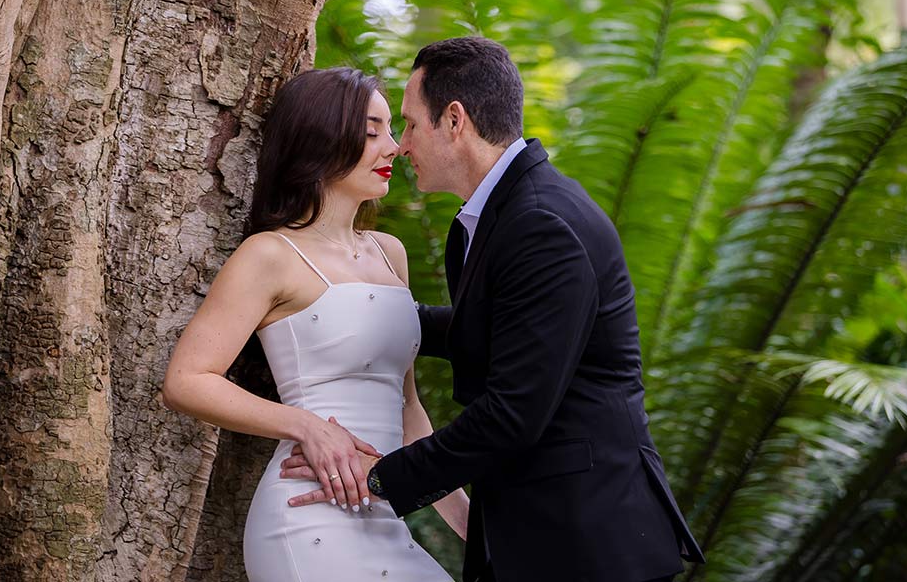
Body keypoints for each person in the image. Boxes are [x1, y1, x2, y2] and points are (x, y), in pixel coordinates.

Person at [281, 37, 706, 582]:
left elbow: (512, 414)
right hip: (540, 535)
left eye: (409, 124)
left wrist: (380, 476)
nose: (401, 145)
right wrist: (349, 312)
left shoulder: (541, 223)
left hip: (585, 543)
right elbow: (485, 333)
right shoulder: (489, 219)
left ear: (454, 121)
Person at [162, 67, 468, 581]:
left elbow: (407, 407)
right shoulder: (270, 255)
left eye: (392, 130)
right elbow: (186, 381)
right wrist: (307, 427)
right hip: (306, 519)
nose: (392, 147)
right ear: (321, 138)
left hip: (381, 512)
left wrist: (469, 522)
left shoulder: (389, 254)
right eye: (372, 132)